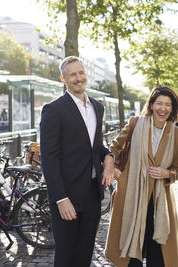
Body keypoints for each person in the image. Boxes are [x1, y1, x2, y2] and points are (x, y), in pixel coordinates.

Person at [40, 56, 115, 267]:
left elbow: (96, 146)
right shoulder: (54, 110)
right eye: (72, 74)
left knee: (84, 254)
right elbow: (49, 158)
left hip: (92, 194)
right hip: (67, 195)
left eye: (81, 73)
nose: (78, 78)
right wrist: (61, 199)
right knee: (66, 257)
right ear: (64, 79)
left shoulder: (97, 107)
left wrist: (109, 157)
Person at [105, 86, 178, 267]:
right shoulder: (135, 123)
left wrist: (167, 173)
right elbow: (114, 148)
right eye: (159, 103)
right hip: (131, 197)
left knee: (159, 253)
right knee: (131, 254)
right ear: (151, 105)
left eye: (167, 105)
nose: (162, 108)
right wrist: (118, 173)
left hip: (160, 201)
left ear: (172, 109)